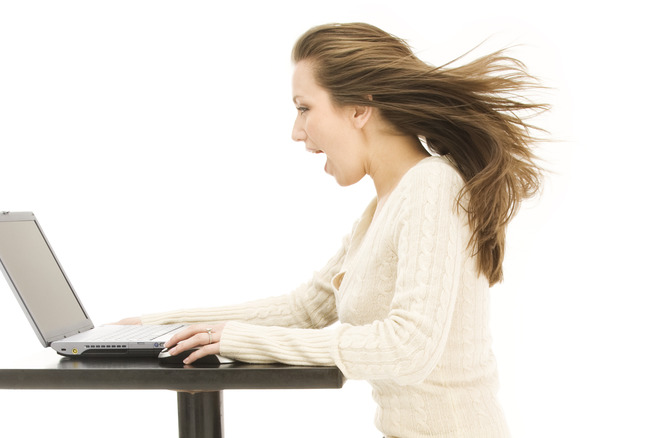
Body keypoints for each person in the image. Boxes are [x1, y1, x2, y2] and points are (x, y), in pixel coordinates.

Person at [115, 22, 547, 437]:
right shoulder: (384, 208)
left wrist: (237, 340)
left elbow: (408, 348)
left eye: (304, 108)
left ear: (359, 108)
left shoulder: (432, 185)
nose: (296, 132)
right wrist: (154, 327)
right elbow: (306, 309)